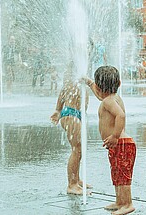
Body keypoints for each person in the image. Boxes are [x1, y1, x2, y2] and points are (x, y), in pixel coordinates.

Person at [84, 66, 136, 215]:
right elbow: (100, 95)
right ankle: (120, 201)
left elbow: (121, 116)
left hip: (122, 144)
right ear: (119, 83)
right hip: (119, 146)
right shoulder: (112, 98)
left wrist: (115, 136)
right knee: (118, 174)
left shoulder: (108, 102)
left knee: (123, 176)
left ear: (99, 87)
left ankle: (128, 204)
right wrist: (88, 82)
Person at [50, 61, 90, 195]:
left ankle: (76, 179)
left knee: (80, 149)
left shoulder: (80, 68)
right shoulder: (72, 68)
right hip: (71, 113)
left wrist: (57, 110)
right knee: (76, 149)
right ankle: (71, 185)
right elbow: (64, 90)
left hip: (77, 114)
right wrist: (57, 110)